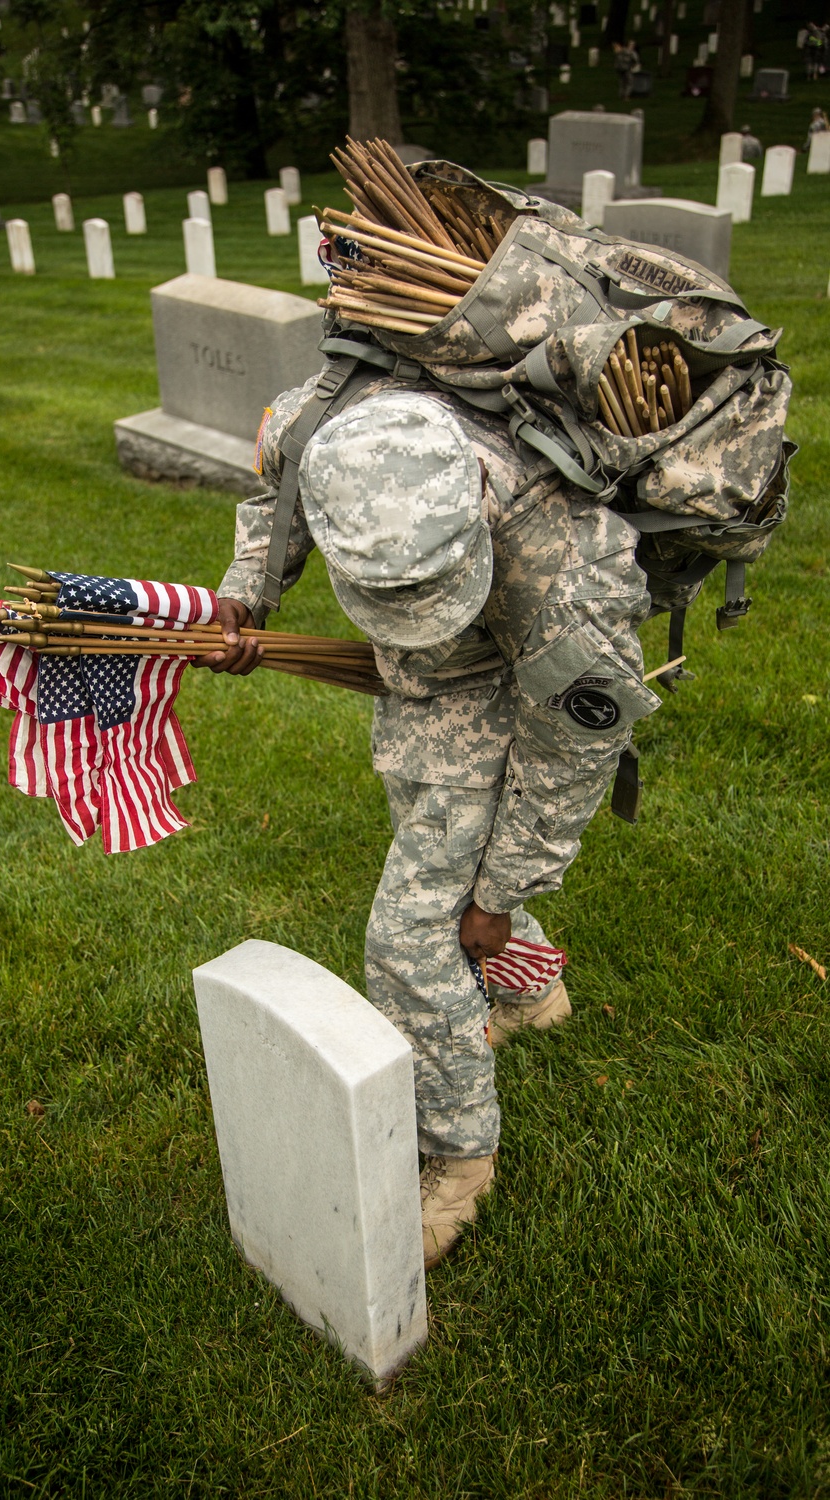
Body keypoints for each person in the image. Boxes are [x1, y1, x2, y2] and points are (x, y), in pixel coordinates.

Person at [199, 379, 659, 1270]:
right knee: (429, 829)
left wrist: (499, 893)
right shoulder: (314, 424)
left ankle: (459, 1154)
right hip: (421, 693)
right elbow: (281, 499)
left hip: (505, 682)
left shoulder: (564, 568)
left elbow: (569, 758)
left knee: (411, 939)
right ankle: (533, 993)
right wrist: (246, 596)